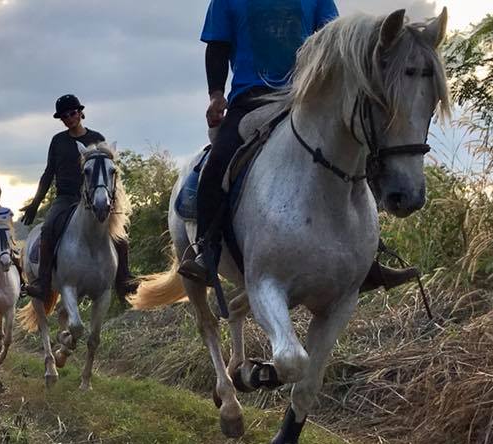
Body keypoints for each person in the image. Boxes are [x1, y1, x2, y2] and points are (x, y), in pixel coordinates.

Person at [177, 0, 418, 293]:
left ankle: (369, 253)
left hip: (306, 98)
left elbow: (333, 41)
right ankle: (207, 250)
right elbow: (217, 47)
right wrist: (216, 95)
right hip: (251, 99)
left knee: (360, 155)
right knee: (218, 162)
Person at [20, 94, 137, 300]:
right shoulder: (58, 141)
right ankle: (43, 283)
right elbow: (48, 174)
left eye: (72, 113)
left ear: (80, 113)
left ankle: (123, 279)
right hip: (66, 198)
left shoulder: (97, 138)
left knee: (120, 232)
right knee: (48, 229)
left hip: (95, 197)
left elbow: (109, 171)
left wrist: (111, 196)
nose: (69, 117)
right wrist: (35, 204)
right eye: (64, 116)